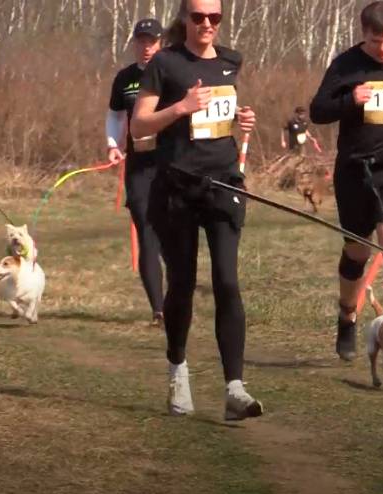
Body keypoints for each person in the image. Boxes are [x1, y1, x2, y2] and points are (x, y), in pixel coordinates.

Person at [131, 0, 263, 420]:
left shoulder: (231, 61)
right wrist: (180, 108)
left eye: (215, 18)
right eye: (199, 17)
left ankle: (235, 390)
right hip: (176, 189)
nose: (207, 24)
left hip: (224, 185)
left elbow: (221, 118)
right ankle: (178, 369)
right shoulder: (165, 63)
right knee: (183, 283)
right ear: (185, 19)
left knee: (227, 280)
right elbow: (139, 126)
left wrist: (241, 123)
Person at [309, 0, 383, 361]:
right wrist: (350, 99)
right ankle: (347, 314)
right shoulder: (346, 64)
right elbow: (318, 111)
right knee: (357, 252)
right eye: (378, 42)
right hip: (355, 170)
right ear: (364, 35)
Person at [107, 18, 165, 326]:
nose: (146, 47)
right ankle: (159, 309)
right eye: (141, 41)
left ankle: (178, 296)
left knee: (173, 235)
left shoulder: (173, 72)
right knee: (146, 231)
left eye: (152, 41)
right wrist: (113, 144)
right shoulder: (125, 78)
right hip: (140, 167)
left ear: (161, 43)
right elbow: (115, 115)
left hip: (171, 164)